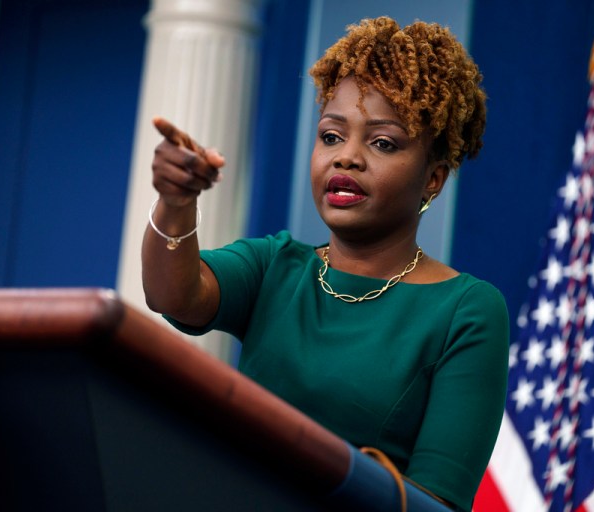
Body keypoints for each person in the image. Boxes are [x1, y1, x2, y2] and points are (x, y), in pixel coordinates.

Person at [142, 16, 509, 512]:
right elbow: (174, 296)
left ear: (433, 179)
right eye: (332, 136)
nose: (347, 158)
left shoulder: (467, 310)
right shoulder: (275, 265)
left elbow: (436, 500)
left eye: (383, 143)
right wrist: (176, 200)